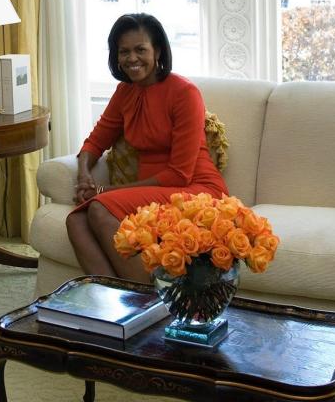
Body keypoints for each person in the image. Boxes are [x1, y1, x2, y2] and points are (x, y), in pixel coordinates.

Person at [66, 14, 229, 284]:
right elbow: (95, 142)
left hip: (193, 189)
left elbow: (179, 174)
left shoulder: (184, 92)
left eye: (140, 49)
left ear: (158, 51)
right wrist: (84, 174)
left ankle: (146, 303)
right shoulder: (125, 92)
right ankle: (114, 306)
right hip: (150, 192)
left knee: (98, 207)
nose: (132, 58)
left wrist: (104, 191)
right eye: (124, 51)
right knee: (76, 221)